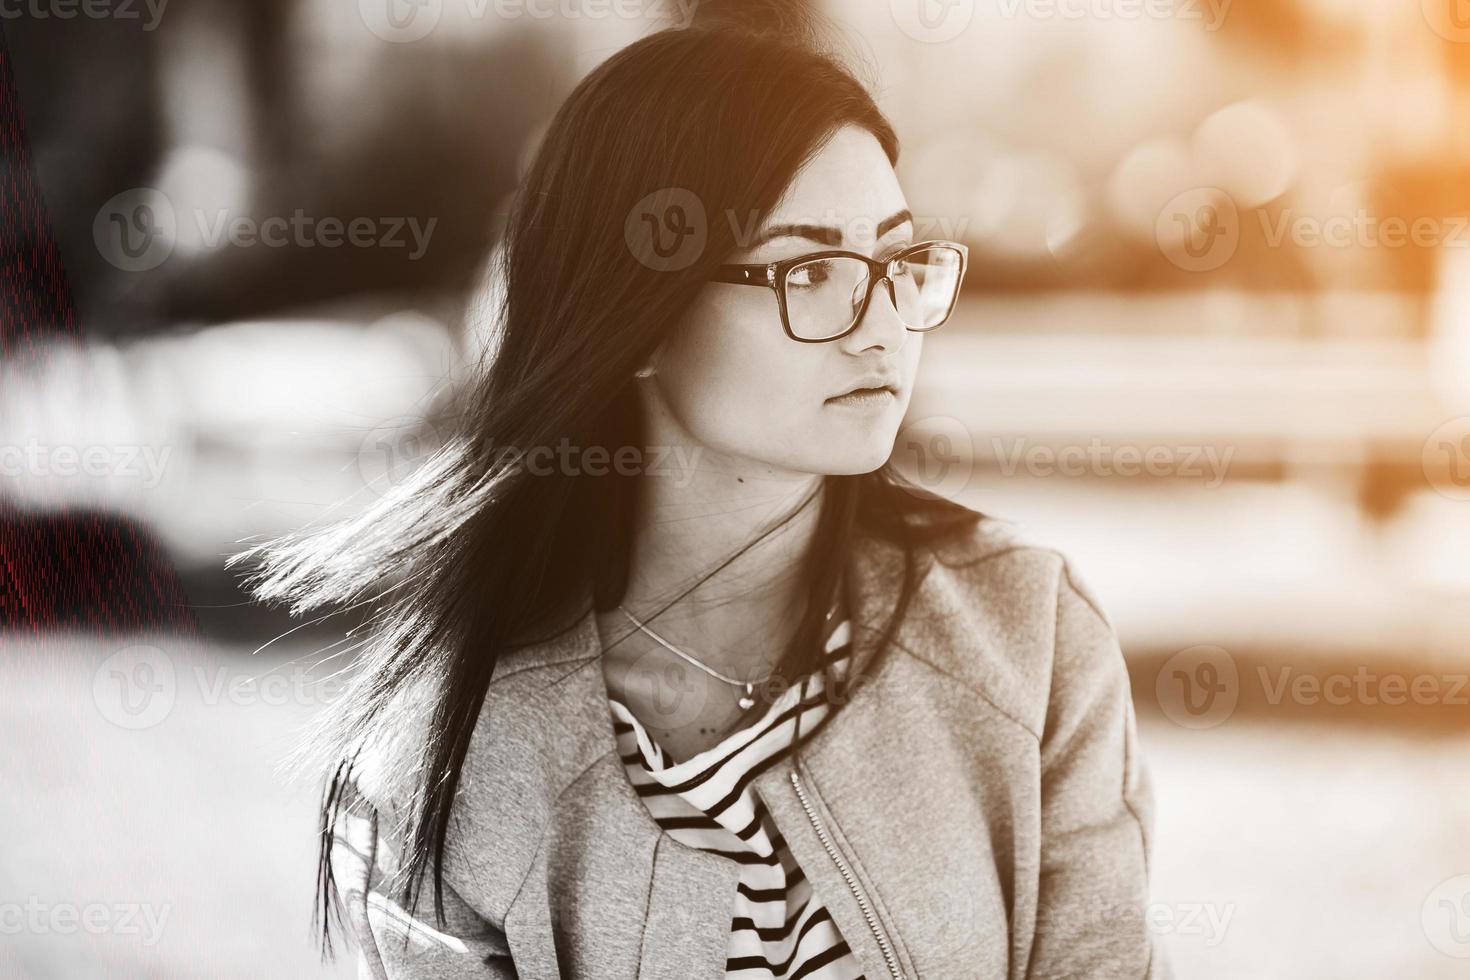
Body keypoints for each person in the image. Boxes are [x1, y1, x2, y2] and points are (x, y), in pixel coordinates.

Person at [234, 11, 1168, 979]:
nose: (883, 324)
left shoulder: (1027, 633)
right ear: (635, 317)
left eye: (898, 261)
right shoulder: (447, 759)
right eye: (810, 270)